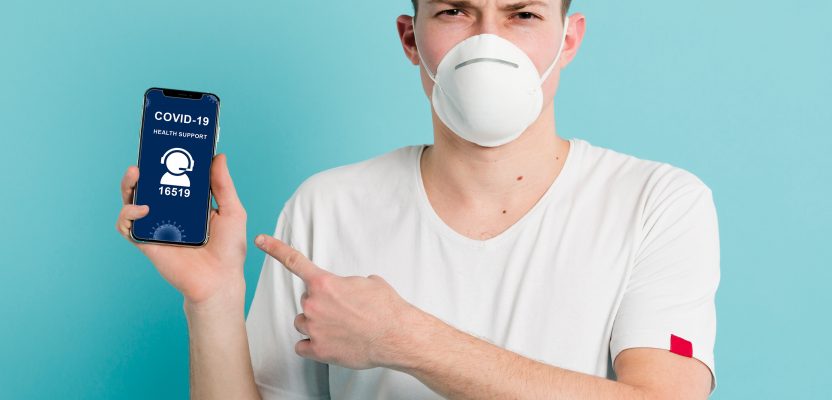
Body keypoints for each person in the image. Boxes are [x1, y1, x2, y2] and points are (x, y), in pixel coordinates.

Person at [116, 0, 720, 398]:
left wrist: (405, 340)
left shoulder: (655, 203)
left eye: (523, 15)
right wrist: (214, 300)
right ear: (411, 38)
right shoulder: (327, 207)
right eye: (456, 11)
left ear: (568, 39)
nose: (488, 45)